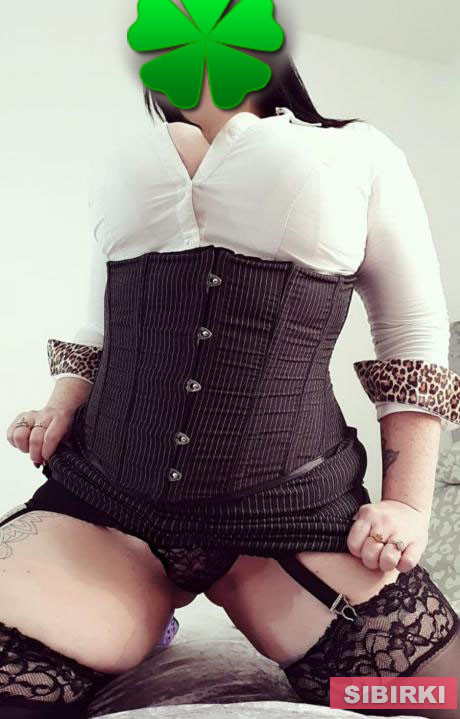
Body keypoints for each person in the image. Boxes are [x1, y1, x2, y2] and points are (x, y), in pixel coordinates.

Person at [2, 50, 460, 718]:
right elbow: (99, 319)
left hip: (294, 513)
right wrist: (59, 403)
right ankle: (144, 620)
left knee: (441, 695)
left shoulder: (358, 151)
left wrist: (409, 506)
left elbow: (411, 331)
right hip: (105, 503)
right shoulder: (136, 159)